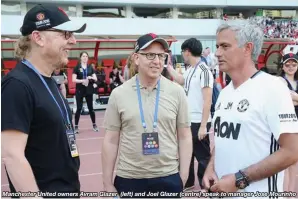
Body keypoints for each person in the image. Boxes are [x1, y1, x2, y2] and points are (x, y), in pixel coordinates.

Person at [202, 21, 298, 196]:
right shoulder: (224, 93)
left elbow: (292, 151)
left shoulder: (273, 88)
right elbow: (226, 139)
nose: (217, 53)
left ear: (247, 48)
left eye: (225, 46)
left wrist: (240, 179)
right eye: (217, 46)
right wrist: (211, 167)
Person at [1, 4, 86, 196]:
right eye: (66, 34)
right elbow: (12, 155)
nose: (73, 41)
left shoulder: (47, 81)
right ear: (38, 37)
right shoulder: (17, 85)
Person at [102, 33, 192, 197]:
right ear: (136, 58)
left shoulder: (177, 92)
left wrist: (183, 177)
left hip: (168, 177)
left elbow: (185, 136)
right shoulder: (118, 94)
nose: (157, 61)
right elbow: (111, 139)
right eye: (150, 55)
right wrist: (107, 183)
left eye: (161, 55)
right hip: (129, 178)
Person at [166, 38, 214, 190]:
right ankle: (188, 182)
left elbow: (207, 101)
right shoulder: (190, 69)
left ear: (187, 51)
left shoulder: (204, 71)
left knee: (202, 156)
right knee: (188, 152)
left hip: (199, 119)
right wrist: (168, 68)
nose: (183, 55)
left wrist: (203, 125)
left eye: (182, 52)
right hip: (188, 119)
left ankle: (206, 185)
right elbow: (181, 80)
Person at [278, 53, 298, 192]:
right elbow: (284, 99)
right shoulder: (280, 80)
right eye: (287, 64)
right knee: (286, 160)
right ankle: (284, 192)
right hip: (287, 123)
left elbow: (291, 98)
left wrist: (295, 97)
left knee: (295, 160)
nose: (291, 67)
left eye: (294, 64)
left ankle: (290, 192)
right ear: (283, 66)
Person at [72, 51, 99, 134]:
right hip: (80, 89)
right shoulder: (77, 67)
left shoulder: (90, 67)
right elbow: (73, 79)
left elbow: (96, 78)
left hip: (88, 89)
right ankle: (76, 126)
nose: (85, 58)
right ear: (80, 57)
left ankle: (94, 124)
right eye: (83, 56)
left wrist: (91, 77)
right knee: (79, 108)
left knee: (91, 108)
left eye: (86, 56)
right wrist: (82, 80)